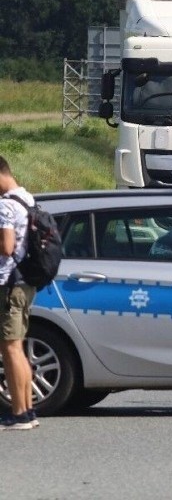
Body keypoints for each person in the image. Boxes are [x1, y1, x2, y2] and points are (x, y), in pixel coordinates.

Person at [0, 156, 37, 430]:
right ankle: (27, 410)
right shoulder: (27, 198)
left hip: (9, 283)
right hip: (25, 282)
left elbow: (7, 246)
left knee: (10, 348)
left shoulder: (6, 205)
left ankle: (19, 413)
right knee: (18, 347)